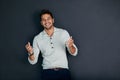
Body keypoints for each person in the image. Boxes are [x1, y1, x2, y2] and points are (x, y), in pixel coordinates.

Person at [25, 9, 78, 80]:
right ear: (41, 23)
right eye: (43, 20)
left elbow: (74, 53)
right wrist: (31, 53)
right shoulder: (37, 38)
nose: (46, 21)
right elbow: (33, 61)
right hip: (47, 73)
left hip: (64, 72)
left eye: (48, 18)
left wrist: (71, 46)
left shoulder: (63, 33)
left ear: (53, 20)